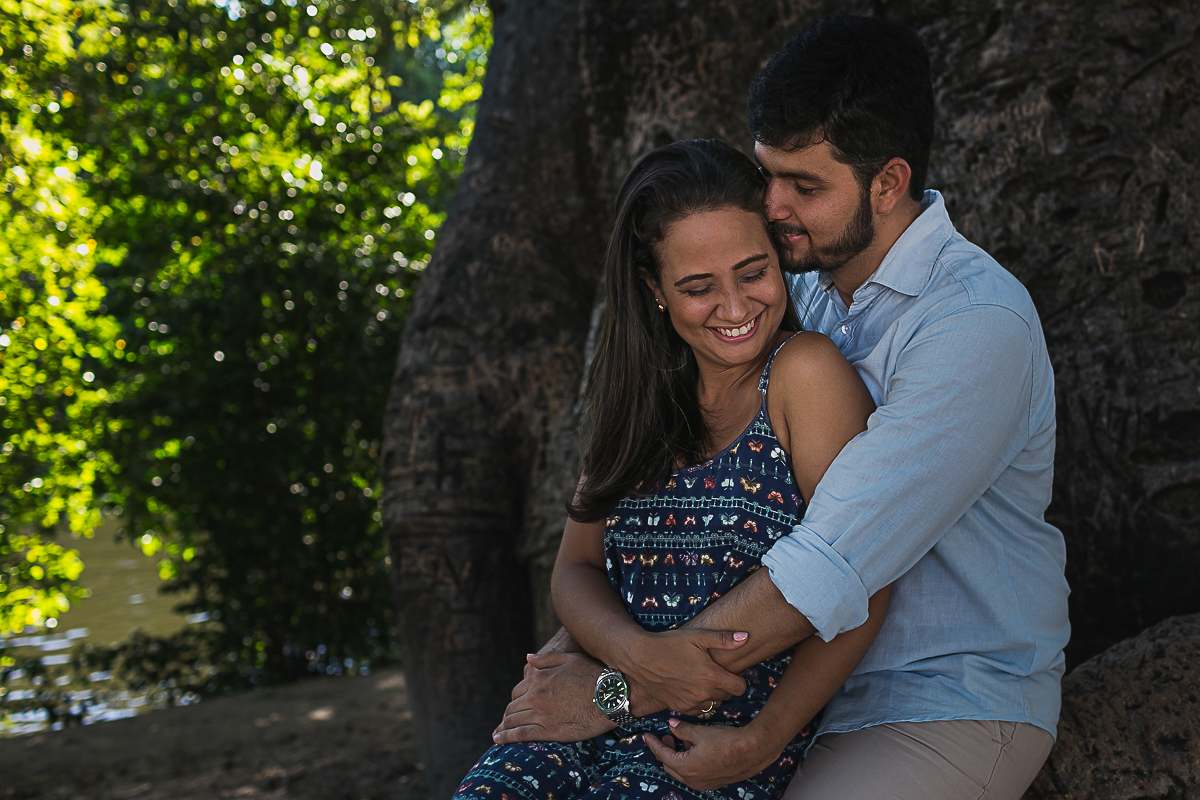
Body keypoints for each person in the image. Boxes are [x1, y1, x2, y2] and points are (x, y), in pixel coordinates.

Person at [494, 15, 1069, 800]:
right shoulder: (781, 287)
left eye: (804, 186)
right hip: (782, 694)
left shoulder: (974, 325)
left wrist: (616, 691)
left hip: (940, 699)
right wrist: (594, 646)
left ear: (888, 184)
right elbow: (653, 513)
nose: (771, 205)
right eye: (767, 174)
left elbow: (829, 565)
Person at [454, 140, 890, 800]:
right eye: (698, 287)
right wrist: (635, 661)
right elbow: (576, 569)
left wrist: (765, 737)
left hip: (705, 750)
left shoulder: (803, 373)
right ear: (655, 289)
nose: (736, 307)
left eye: (753, 272)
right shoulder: (642, 395)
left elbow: (867, 582)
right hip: (582, 715)